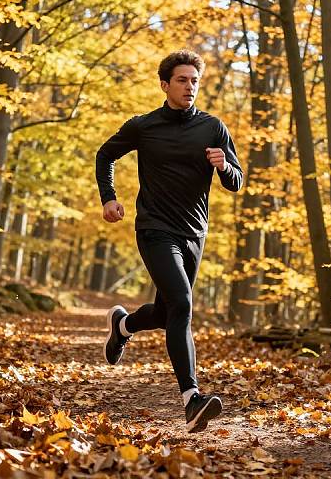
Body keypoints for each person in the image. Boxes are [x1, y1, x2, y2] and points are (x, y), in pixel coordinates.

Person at [95, 49, 243, 433]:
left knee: (167, 313)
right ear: (165, 84)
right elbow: (105, 154)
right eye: (182, 80)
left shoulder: (213, 128)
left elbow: (237, 182)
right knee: (182, 303)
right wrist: (109, 197)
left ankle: (123, 325)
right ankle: (191, 399)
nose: (189, 86)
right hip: (154, 228)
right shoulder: (144, 126)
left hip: (194, 233)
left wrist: (224, 166)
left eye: (194, 80)